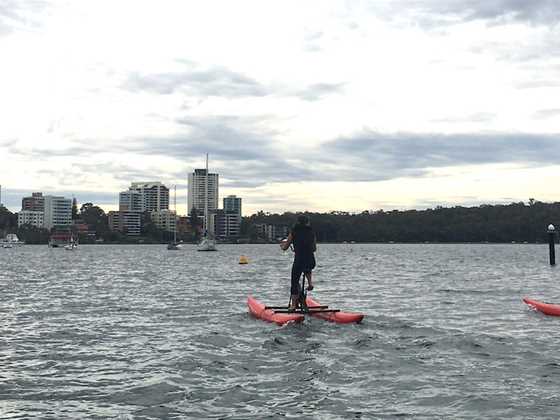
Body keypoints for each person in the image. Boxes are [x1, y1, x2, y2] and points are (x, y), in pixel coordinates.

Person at [280, 215, 317, 310]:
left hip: (299, 260)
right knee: (307, 267)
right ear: (307, 222)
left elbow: (285, 247)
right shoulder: (312, 232)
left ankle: (293, 305)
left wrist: (282, 245)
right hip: (310, 259)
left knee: (294, 281)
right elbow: (314, 248)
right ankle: (310, 283)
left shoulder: (294, 232)